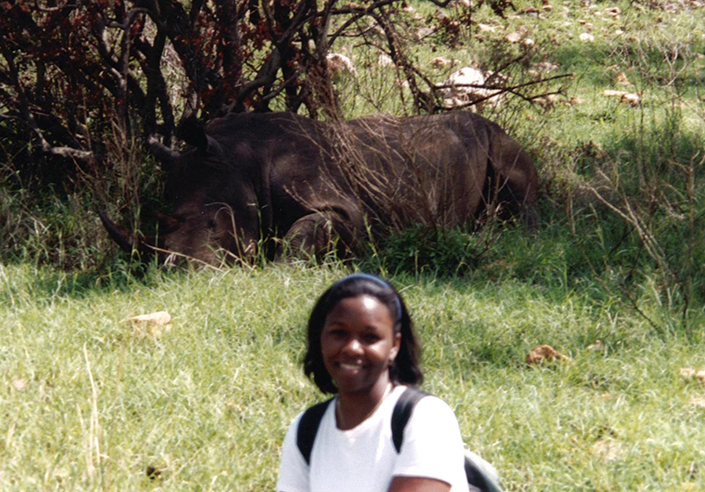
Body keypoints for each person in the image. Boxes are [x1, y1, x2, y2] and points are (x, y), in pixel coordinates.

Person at [277, 273, 470, 492]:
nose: (352, 348)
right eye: (338, 333)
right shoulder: (306, 429)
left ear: (394, 345)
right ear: (320, 338)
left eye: (370, 337)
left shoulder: (426, 418)